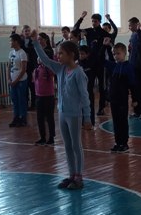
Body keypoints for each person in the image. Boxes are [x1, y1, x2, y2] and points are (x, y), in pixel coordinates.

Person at [33, 40, 91, 189]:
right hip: (62, 113)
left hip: (74, 115)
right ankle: (71, 174)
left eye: (61, 53)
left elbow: (85, 96)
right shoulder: (60, 69)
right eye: (58, 53)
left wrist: (87, 117)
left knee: (76, 145)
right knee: (67, 145)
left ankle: (79, 176)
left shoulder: (78, 73)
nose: (58, 56)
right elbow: (45, 60)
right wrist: (35, 42)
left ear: (71, 55)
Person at [72, 11, 118, 115]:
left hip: (101, 63)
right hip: (90, 63)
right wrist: (81, 17)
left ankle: (101, 108)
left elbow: (114, 32)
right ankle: (90, 107)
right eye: (92, 21)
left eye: (95, 21)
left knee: (102, 87)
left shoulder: (104, 33)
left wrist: (110, 19)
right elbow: (75, 29)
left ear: (100, 22)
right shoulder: (89, 31)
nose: (93, 23)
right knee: (89, 86)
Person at [103, 40, 136, 153]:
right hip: (114, 99)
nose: (116, 56)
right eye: (114, 54)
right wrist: (105, 46)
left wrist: (135, 99)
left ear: (124, 53)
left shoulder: (128, 67)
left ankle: (124, 143)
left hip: (122, 99)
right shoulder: (113, 66)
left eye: (118, 53)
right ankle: (118, 142)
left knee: (122, 121)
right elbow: (101, 60)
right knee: (116, 121)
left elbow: (132, 84)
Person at [34, 35, 56, 146]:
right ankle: (42, 137)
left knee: (49, 117)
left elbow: (53, 73)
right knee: (40, 118)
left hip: (48, 96)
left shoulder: (49, 69)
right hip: (39, 96)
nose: (39, 59)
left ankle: (51, 137)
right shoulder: (37, 69)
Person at [127, 17, 141, 118]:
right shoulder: (132, 35)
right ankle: (137, 110)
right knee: (135, 90)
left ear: (136, 24)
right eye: (129, 25)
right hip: (133, 65)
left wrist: (139, 31)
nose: (129, 27)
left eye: (131, 25)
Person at [7, 33, 29, 127]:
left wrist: (16, 80)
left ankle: (23, 118)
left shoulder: (22, 53)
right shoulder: (11, 53)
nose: (10, 43)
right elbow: (8, 66)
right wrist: (9, 79)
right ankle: (16, 117)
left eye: (11, 41)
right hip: (13, 80)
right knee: (14, 99)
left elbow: (23, 69)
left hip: (21, 80)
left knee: (21, 99)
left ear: (16, 42)